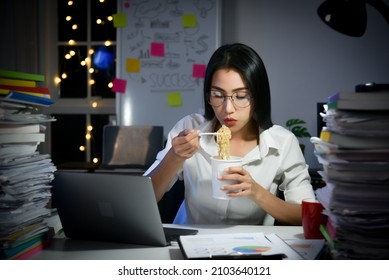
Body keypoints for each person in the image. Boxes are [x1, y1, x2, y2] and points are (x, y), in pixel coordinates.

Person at [144, 43, 315, 226]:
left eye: (240, 96)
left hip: (252, 250)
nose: (228, 109)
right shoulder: (189, 128)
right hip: (190, 242)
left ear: (257, 97)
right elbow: (144, 200)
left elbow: (309, 217)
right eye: (218, 95)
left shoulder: (283, 142)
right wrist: (173, 157)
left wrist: (258, 193)